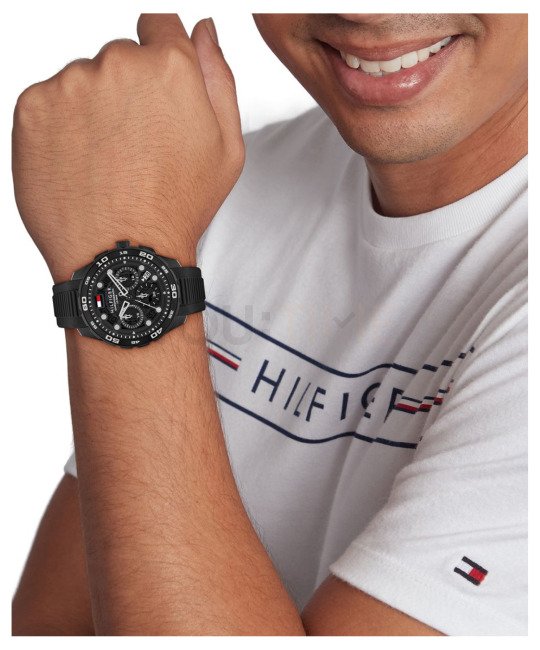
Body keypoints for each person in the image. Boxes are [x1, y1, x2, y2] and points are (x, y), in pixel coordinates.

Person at [11, 13, 527, 636]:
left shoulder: (159, 218)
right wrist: (141, 243)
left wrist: (126, 256)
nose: (365, 10)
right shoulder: (208, 187)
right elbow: (56, 626)